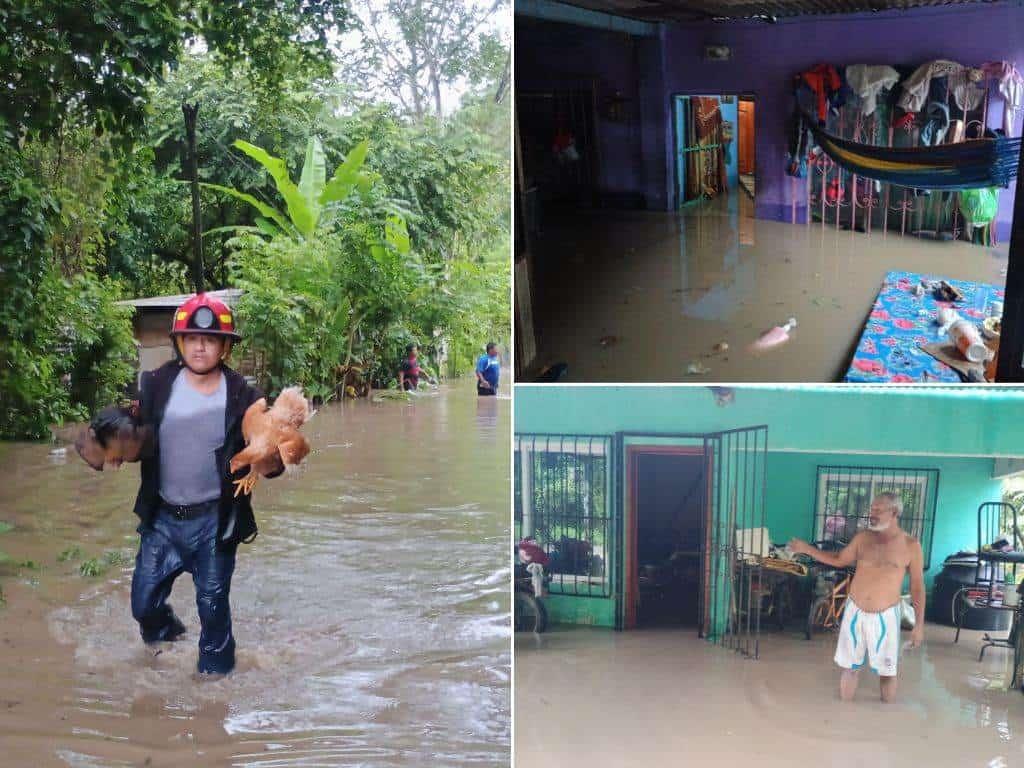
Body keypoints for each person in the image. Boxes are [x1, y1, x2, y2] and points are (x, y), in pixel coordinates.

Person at [130, 293, 284, 675]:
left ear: (225, 347)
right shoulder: (155, 384)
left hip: (214, 521)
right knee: (143, 602)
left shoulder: (245, 397)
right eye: (193, 338)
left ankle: (216, 683)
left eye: (211, 339)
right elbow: (133, 437)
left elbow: (268, 457)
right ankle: (168, 639)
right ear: (180, 342)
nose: (201, 345)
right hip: (162, 518)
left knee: (213, 606)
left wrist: (268, 455)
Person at [789, 493, 925, 703]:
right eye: (872, 509)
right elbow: (839, 560)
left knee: (887, 672)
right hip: (855, 612)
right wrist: (807, 549)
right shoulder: (863, 539)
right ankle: (844, 716)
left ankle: (885, 720)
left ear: (895, 513)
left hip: (887, 615)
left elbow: (917, 587)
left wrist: (919, 626)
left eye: (878, 510)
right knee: (849, 668)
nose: (872, 514)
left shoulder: (910, 545)